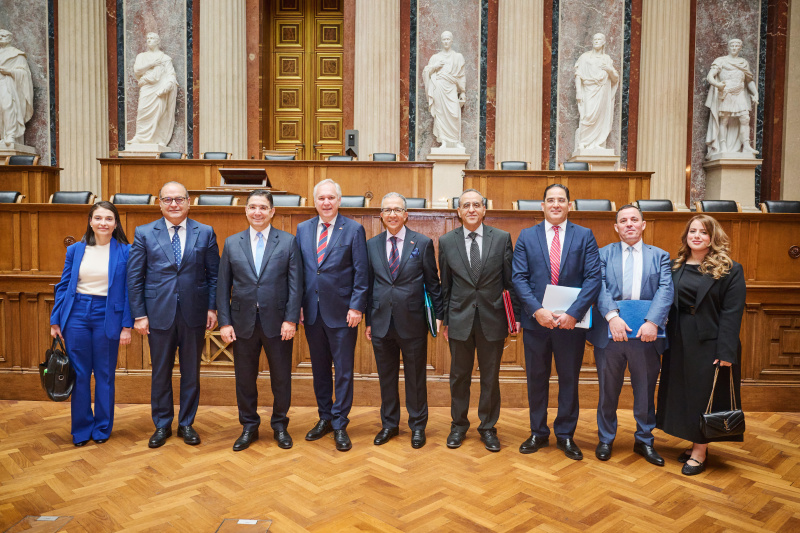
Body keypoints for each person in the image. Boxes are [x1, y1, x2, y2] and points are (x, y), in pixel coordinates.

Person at [127, 181, 220, 448]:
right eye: (168, 200)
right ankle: (162, 424)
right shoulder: (144, 233)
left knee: (191, 371)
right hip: (158, 314)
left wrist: (212, 307)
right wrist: (139, 315)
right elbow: (135, 277)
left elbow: (214, 275)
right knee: (161, 371)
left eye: (179, 199)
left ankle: (187, 423)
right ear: (159, 203)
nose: (174, 204)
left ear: (189, 202)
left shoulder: (205, 232)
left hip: (194, 313)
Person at [512, 183, 601, 460]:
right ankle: (538, 432)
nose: (555, 205)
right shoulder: (527, 236)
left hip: (570, 324)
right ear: (542, 206)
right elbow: (519, 278)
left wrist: (573, 313)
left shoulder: (585, 235)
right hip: (536, 324)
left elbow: (593, 278)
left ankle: (565, 435)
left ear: (569, 206)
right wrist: (537, 310)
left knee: (568, 380)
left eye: (561, 200)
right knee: (536, 379)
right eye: (550, 200)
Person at [656, 215, 746, 476]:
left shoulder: (730, 269)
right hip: (678, 338)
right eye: (692, 231)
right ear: (686, 236)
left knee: (703, 394)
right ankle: (694, 439)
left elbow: (732, 312)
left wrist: (726, 350)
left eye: (703, 232)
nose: (696, 236)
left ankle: (700, 451)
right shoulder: (676, 266)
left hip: (710, 341)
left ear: (712, 237)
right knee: (682, 392)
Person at [587, 205, 673, 465]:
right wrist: (612, 317)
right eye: (623, 221)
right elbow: (598, 286)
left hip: (646, 336)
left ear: (643, 224)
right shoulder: (602, 254)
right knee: (607, 391)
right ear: (616, 227)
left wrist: (653, 322)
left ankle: (644, 441)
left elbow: (666, 290)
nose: (629, 224)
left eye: (634, 220)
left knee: (645, 391)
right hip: (609, 334)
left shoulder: (660, 256)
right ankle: (605, 439)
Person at [216, 190, 302, 451]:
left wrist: (290, 319)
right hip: (242, 323)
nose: (257, 212)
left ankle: (279, 425)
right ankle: (249, 426)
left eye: (263, 207)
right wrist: (225, 322)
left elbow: (296, 285)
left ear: (272, 211)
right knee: (244, 378)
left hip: (278, 323)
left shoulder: (288, 242)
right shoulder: (232, 243)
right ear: (245, 211)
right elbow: (222, 286)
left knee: (281, 378)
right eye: (252, 207)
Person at [438, 189, 520, 452]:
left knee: (490, 377)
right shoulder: (447, 241)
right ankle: (459, 426)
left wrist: (514, 316)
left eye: (476, 205)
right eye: (466, 205)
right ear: (459, 212)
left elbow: (510, 282)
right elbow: (445, 287)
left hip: (492, 319)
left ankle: (487, 427)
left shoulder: (502, 239)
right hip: (459, 319)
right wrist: (445, 320)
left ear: (484, 209)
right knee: (459, 376)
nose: (471, 209)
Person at [50, 202, 133, 446]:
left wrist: (126, 325)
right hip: (76, 314)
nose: (103, 223)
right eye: (98, 218)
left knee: (105, 374)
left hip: (108, 314)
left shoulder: (125, 251)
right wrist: (56, 319)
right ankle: (82, 428)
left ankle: (103, 427)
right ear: (90, 221)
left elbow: (130, 290)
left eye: (109, 219)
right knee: (81, 374)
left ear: (115, 223)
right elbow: (64, 286)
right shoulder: (75, 250)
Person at [365, 192, 444, 449]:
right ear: (381, 216)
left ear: (406, 214)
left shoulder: (421, 242)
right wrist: (368, 319)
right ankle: (389, 425)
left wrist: (440, 315)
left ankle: (418, 426)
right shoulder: (371, 245)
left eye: (397, 210)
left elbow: (433, 283)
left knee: (415, 378)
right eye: (387, 210)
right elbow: (368, 284)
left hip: (413, 322)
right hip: (380, 322)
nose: (392, 214)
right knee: (386, 377)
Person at [296, 179, 368, 452]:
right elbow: (300, 272)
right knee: (320, 370)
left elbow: (361, 273)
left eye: (331, 198)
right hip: (312, 313)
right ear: (314, 201)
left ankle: (340, 423)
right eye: (321, 198)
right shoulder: (303, 229)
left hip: (342, 313)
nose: (326, 202)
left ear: (339, 200)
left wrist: (356, 306)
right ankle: (324, 417)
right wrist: (299, 306)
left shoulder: (353, 229)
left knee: (344, 372)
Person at [705, 38, 759, 158]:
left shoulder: (743, 63)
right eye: (732, 46)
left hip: (739, 93)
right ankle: (723, 145)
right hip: (726, 92)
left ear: (740, 48)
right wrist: (718, 84)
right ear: (728, 47)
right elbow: (710, 76)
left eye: (736, 46)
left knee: (745, 118)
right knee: (724, 119)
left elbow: (749, 80)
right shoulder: (721, 61)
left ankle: (746, 145)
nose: (734, 48)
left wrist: (755, 93)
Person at [128, 32, 178, 146]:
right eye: (148, 38)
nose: (149, 40)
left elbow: (171, 74)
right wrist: (151, 64)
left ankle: (157, 138)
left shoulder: (165, 58)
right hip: (146, 88)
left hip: (159, 90)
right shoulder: (141, 56)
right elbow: (137, 71)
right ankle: (139, 137)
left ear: (158, 41)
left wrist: (168, 85)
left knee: (159, 114)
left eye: (152, 38)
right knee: (142, 111)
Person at [574, 33, 618, 152]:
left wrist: (609, 70)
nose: (596, 41)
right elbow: (578, 75)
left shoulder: (607, 59)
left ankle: (598, 142)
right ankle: (583, 142)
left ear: (604, 42)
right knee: (588, 115)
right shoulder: (585, 57)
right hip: (589, 90)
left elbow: (615, 79)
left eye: (599, 39)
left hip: (602, 91)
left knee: (600, 117)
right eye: (595, 39)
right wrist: (578, 91)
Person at [422, 31, 466, 149]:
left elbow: (461, 75)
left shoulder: (457, 57)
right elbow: (426, 72)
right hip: (439, 87)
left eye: (448, 39)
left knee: (454, 113)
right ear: (441, 42)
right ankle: (444, 141)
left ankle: (456, 141)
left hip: (451, 88)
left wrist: (462, 91)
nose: (446, 41)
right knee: (440, 114)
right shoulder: (435, 58)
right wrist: (435, 67)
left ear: (452, 41)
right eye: (444, 39)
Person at [0, 29, 33, 146]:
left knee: (7, 106)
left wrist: (9, 71)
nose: (1, 38)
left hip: (7, 83)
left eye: (3, 36)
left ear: (10, 38)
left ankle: (10, 135)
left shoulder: (16, 54)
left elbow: (25, 74)